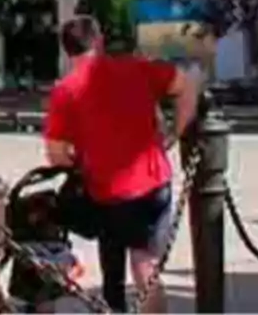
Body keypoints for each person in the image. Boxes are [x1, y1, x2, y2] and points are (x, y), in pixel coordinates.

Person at [43, 16, 199, 313]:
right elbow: (186, 86)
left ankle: (113, 306)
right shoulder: (135, 67)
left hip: (105, 191)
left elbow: (56, 154)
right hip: (153, 182)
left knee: (111, 263)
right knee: (145, 263)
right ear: (99, 41)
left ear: (66, 50)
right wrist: (175, 133)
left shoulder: (66, 90)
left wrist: (80, 157)